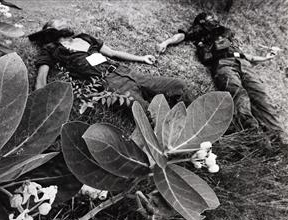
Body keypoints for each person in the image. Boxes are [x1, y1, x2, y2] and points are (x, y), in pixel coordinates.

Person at [156, 12, 284, 134]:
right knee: (239, 95)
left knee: (260, 96)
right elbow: (181, 36)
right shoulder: (201, 33)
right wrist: (165, 42)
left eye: (214, 18)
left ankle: (277, 137)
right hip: (223, 64)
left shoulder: (226, 33)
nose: (214, 20)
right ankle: (252, 133)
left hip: (243, 62)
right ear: (202, 22)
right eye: (210, 18)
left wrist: (266, 58)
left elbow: (247, 56)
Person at [28, 19, 190, 108]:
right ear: (49, 30)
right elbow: (41, 77)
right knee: (148, 113)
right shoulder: (53, 49)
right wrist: (38, 103)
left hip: (129, 72)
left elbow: (113, 53)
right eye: (58, 22)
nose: (64, 22)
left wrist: (141, 58)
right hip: (112, 85)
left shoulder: (84, 37)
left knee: (179, 85)